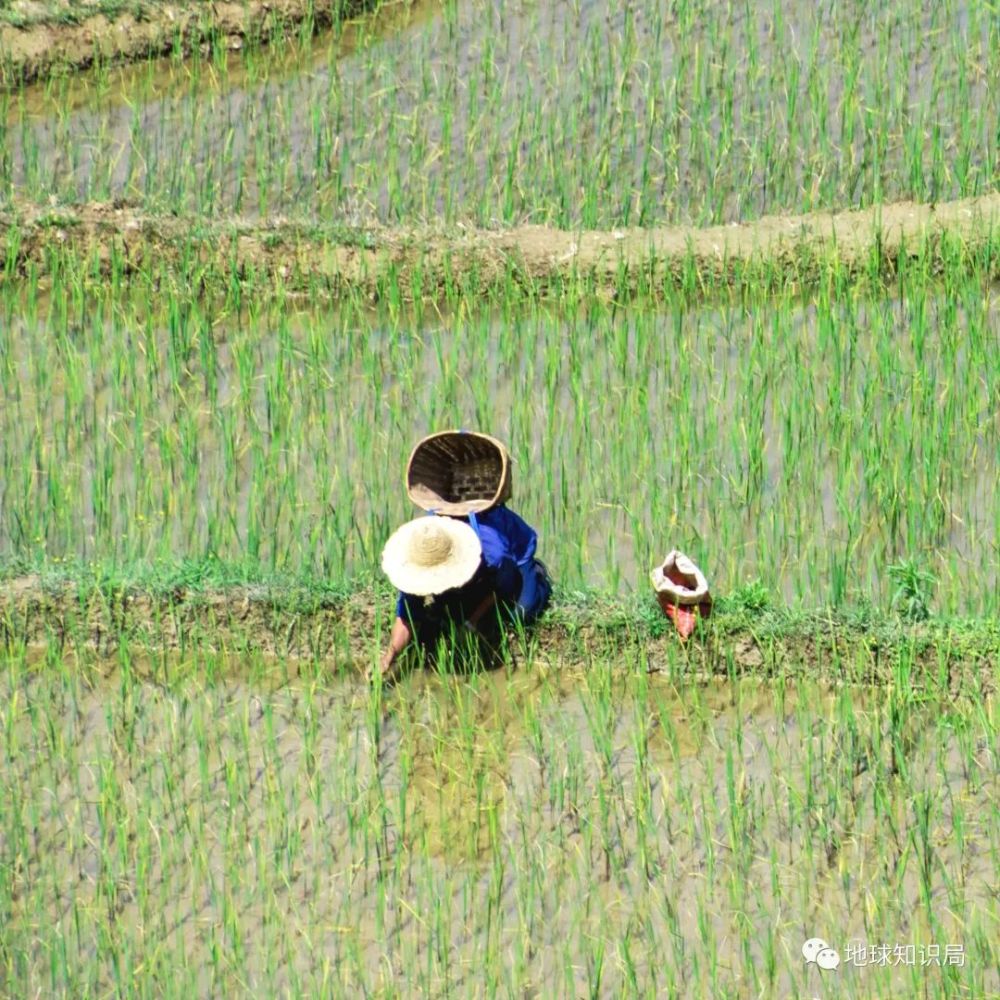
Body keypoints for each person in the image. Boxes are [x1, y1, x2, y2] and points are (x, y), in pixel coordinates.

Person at [375, 505, 552, 684]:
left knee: (522, 611)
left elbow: (503, 587)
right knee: (449, 615)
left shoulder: (491, 552)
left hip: (513, 560)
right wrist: (389, 656)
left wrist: (471, 623)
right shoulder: (416, 560)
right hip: (478, 575)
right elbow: (406, 617)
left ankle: (538, 577)